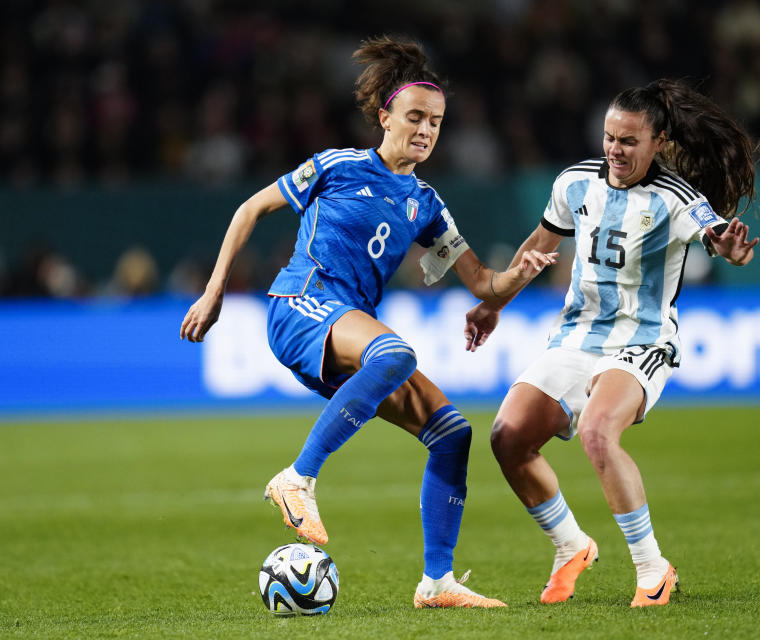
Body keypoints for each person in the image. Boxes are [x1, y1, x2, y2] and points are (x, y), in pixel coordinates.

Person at [179, 36, 556, 609]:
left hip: (347, 327)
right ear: (385, 117)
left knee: (453, 435)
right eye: (415, 117)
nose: (427, 130)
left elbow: (484, 284)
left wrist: (521, 273)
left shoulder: (426, 204)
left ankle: (437, 583)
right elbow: (250, 208)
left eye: (436, 121)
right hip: (301, 304)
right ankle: (297, 478)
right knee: (396, 353)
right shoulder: (336, 165)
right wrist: (215, 291)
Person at [463, 79, 759, 608]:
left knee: (599, 431)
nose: (615, 150)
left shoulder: (677, 198)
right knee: (507, 436)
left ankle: (653, 569)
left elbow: (717, 237)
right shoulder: (575, 183)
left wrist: (733, 251)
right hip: (577, 334)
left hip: (642, 340)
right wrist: (494, 302)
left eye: (628, 141)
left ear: (659, 142)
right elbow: (540, 244)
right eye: (609, 137)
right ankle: (570, 545)